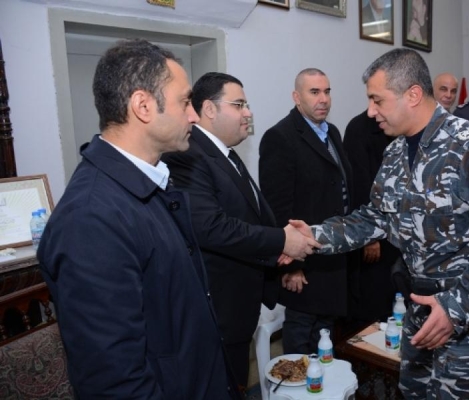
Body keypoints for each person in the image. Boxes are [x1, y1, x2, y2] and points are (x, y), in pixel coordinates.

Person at [291, 49, 469, 399]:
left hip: (466, 312)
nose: (371, 111)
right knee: (413, 390)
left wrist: (455, 307)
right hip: (418, 301)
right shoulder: (396, 151)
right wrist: (312, 235)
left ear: (413, 94)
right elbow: (375, 217)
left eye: (377, 100)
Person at [37, 39, 241, 399]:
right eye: (184, 102)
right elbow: (115, 381)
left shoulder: (149, 181)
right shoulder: (90, 218)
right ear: (143, 106)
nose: (194, 116)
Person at [161, 72, 319, 391]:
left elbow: (252, 215)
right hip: (217, 308)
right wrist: (282, 241)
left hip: (238, 305)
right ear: (209, 109)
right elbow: (210, 227)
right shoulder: (188, 155)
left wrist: (280, 249)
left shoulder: (225, 153)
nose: (248, 113)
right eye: (239, 105)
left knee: (235, 383)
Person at [259, 68, 353, 354]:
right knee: (301, 334)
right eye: (314, 92)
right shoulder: (280, 137)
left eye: (327, 91)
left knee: (324, 335)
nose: (323, 99)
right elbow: (276, 208)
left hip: (331, 254)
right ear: (296, 97)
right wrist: (290, 266)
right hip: (302, 260)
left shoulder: (332, 132)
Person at [343, 109, 400, 323]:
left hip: (397, 232)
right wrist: (370, 237)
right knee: (373, 302)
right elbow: (359, 186)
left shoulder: (401, 125)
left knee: (396, 301)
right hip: (374, 236)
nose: (373, 108)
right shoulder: (359, 129)